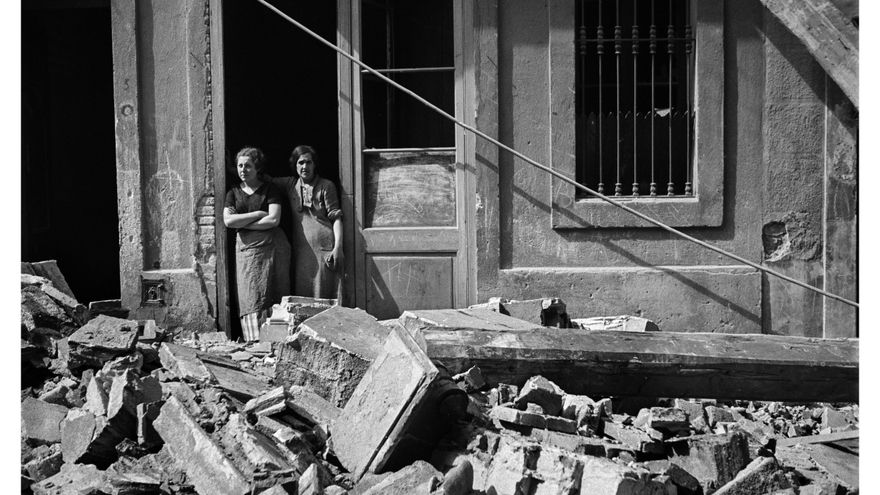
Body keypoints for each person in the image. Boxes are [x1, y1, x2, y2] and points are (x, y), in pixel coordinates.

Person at [224, 147, 291, 340]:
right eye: (239, 166)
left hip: (273, 251)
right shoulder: (233, 193)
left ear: (257, 167)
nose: (243, 170)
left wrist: (243, 222)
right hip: (246, 254)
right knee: (251, 295)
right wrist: (257, 215)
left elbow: (273, 221)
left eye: (248, 166)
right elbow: (228, 221)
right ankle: (255, 343)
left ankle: (275, 342)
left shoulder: (270, 190)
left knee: (274, 293)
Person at [271, 145, 343, 300]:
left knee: (324, 296)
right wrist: (233, 170)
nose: (305, 166)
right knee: (303, 296)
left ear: (314, 164)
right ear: (295, 165)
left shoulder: (326, 186)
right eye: (301, 162)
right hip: (302, 252)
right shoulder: (291, 185)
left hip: (325, 248)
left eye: (309, 162)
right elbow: (263, 181)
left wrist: (338, 247)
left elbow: (336, 218)